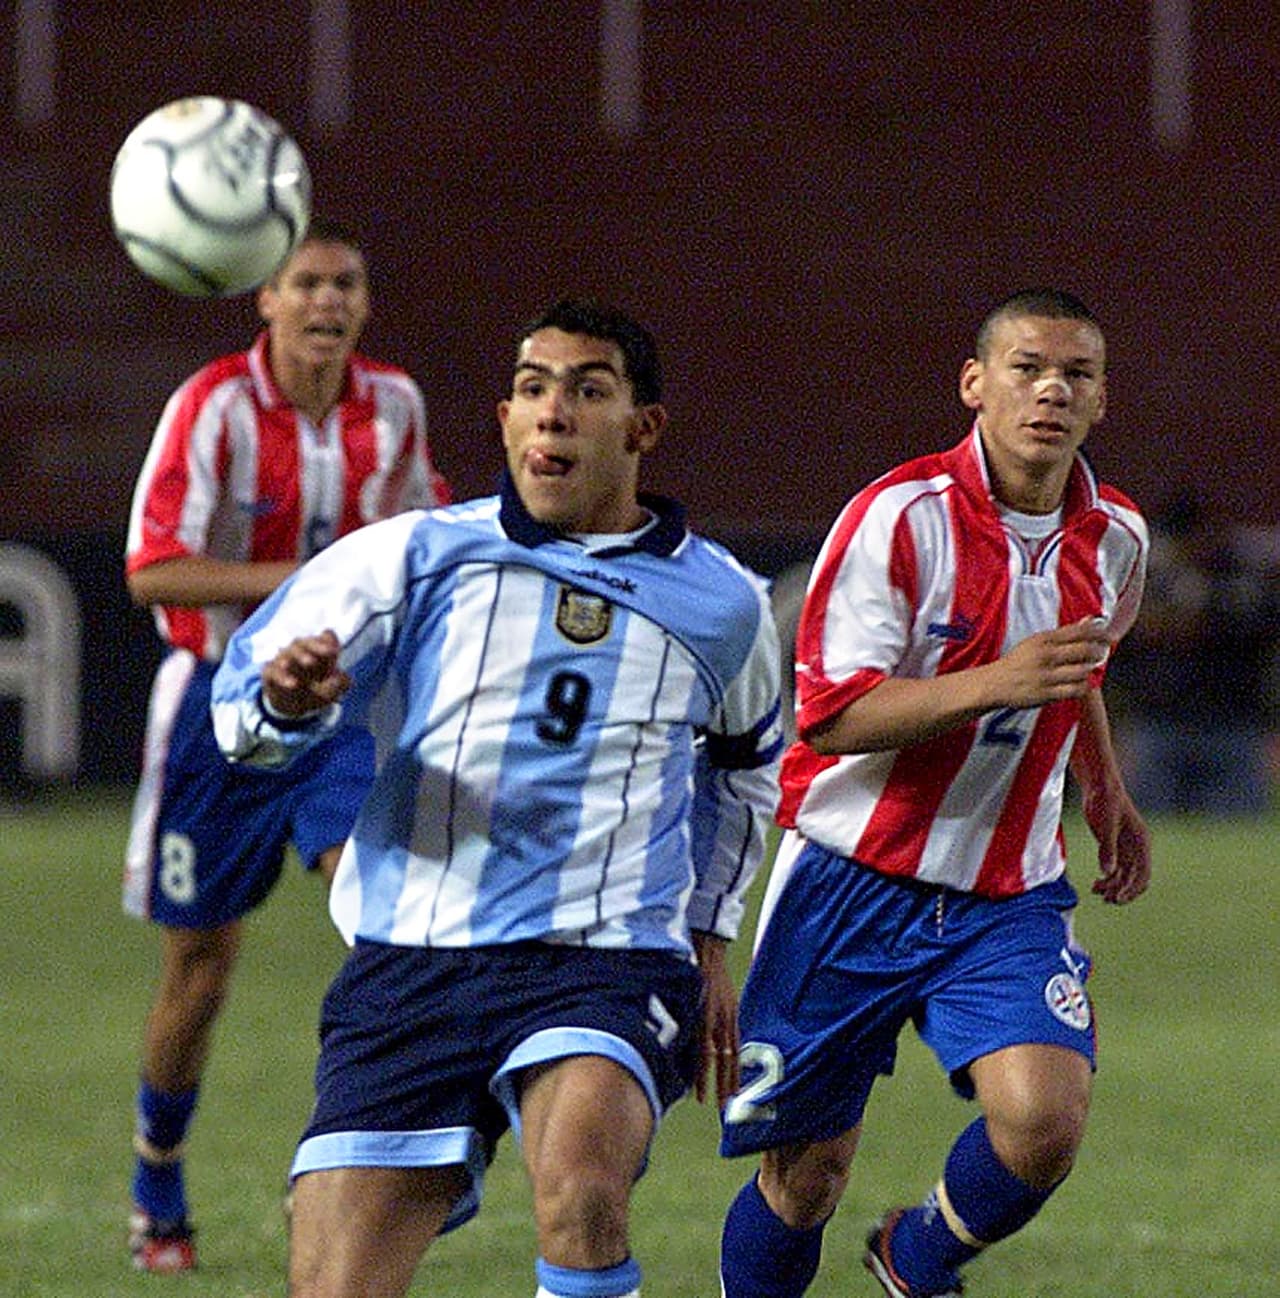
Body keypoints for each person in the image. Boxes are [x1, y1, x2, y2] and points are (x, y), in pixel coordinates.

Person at [209, 299, 784, 1298]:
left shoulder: (723, 601)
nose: (552, 411)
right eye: (532, 388)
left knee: (582, 1188)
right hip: (413, 958)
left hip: (606, 957)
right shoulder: (415, 555)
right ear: (508, 419)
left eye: (587, 390)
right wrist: (285, 703)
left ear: (641, 427)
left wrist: (708, 933)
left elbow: (740, 769)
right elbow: (239, 716)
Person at [717, 288, 1153, 1298]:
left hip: (1007, 888)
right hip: (850, 880)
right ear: (974, 384)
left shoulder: (1116, 538)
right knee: (805, 1175)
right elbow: (830, 717)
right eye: (1026, 368)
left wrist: (1104, 787)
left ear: (1100, 399)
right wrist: (996, 680)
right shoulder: (897, 519)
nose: (1050, 390)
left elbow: (1077, 669)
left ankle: (913, 1260)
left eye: (1075, 374)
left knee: (1043, 1121)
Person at [121, 219, 452, 1272]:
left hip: (342, 713)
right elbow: (152, 569)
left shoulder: (392, 406)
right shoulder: (213, 406)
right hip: (215, 713)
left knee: (381, 920)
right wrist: (310, 584)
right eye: (305, 283)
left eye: (345, 283)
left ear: (364, 303)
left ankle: (370, 1159)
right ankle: (157, 1181)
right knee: (199, 971)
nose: (327, 301)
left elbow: (426, 536)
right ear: (263, 299)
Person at [1108, 490, 1278, 815]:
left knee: (1240, 829)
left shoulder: (1235, 578)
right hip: (1158, 723)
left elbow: (1258, 639)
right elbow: (1119, 647)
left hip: (1231, 726)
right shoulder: (1145, 581)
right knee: (1146, 823)